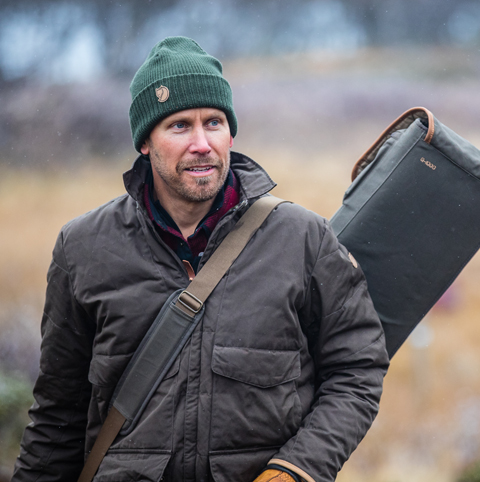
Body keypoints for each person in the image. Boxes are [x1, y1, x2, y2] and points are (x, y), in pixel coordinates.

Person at [12, 36, 389, 482]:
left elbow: (356, 371)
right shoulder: (84, 248)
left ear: (231, 132)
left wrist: (298, 468)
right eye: (179, 126)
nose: (201, 143)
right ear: (145, 141)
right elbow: (58, 416)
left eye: (213, 122)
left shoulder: (303, 239)